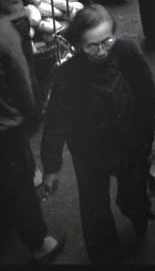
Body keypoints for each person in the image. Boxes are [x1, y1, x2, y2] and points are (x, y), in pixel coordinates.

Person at [41, 5, 155, 265]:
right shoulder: (68, 75)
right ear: (79, 43)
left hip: (132, 143)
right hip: (90, 155)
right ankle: (106, 257)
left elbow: (147, 87)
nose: (101, 51)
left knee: (133, 196)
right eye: (92, 46)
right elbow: (56, 121)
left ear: (115, 35)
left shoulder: (126, 51)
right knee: (94, 210)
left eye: (106, 41)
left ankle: (137, 216)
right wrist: (52, 167)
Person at [0, 17, 65, 264]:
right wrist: (31, 116)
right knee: (18, 183)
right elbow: (22, 83)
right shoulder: (3, 33)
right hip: (4, 127)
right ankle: (40, 244)